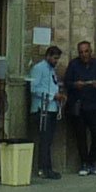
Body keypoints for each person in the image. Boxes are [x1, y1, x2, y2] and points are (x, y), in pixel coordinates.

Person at [64, 41, 96, 175]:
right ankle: (84, 164)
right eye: (81, 52)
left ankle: (92, 161)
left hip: (94, 106)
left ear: (91, 51)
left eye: (86, 51)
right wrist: (75, 85)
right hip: (79, 106)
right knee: (80, 136)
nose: (84, 54)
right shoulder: (73, 64)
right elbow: (66, 82)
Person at [28, 45, 64, 181]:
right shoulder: (39, 68)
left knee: (48, 141)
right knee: (44, 140)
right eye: (54, 58)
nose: (56, 61)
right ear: (48, 56)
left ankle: (48, 167)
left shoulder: (52, 70)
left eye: (57, 59)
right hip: (42, 108)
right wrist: (51, 96)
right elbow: (33, 88)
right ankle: (43, 168)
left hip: (52, 108)